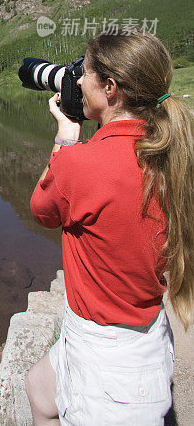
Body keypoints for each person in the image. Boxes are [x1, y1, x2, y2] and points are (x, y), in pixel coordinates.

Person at [25, 31, 194, 426]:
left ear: (111, 88)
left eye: (84, 74)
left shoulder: (83, 164)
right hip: (145, 328)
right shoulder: (170, 151)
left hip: (106, 360)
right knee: (38, 386)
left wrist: (66, 137)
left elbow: (42, 210)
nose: (78, 82)